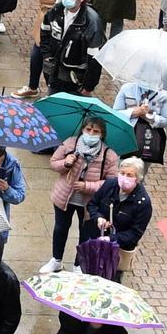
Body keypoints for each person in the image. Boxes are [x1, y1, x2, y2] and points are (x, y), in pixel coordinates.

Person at [44, 114, 116, 273]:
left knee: (86, 234)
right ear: (82, 129)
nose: (91, 133)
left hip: (90, 203)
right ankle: (56, 260)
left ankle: (79, 264)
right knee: (60, 228)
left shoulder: (109, 155)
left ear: (102, 134)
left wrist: (87, 186)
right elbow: (53, 163)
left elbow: (111, 183)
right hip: (65, 196)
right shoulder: (70, 143)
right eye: (88, 129)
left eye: (96, 131)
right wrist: (65, 163)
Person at [83, 156, 152, 280]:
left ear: (138, 179)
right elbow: (92, 204)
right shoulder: (110, 184)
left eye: (130, 175)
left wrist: (111, 238)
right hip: (97, 244)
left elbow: (135, 234)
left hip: (117, 251)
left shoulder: (143, 203)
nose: (124, 177)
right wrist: (98, 217)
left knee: (111, 281)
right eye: (122, 173)